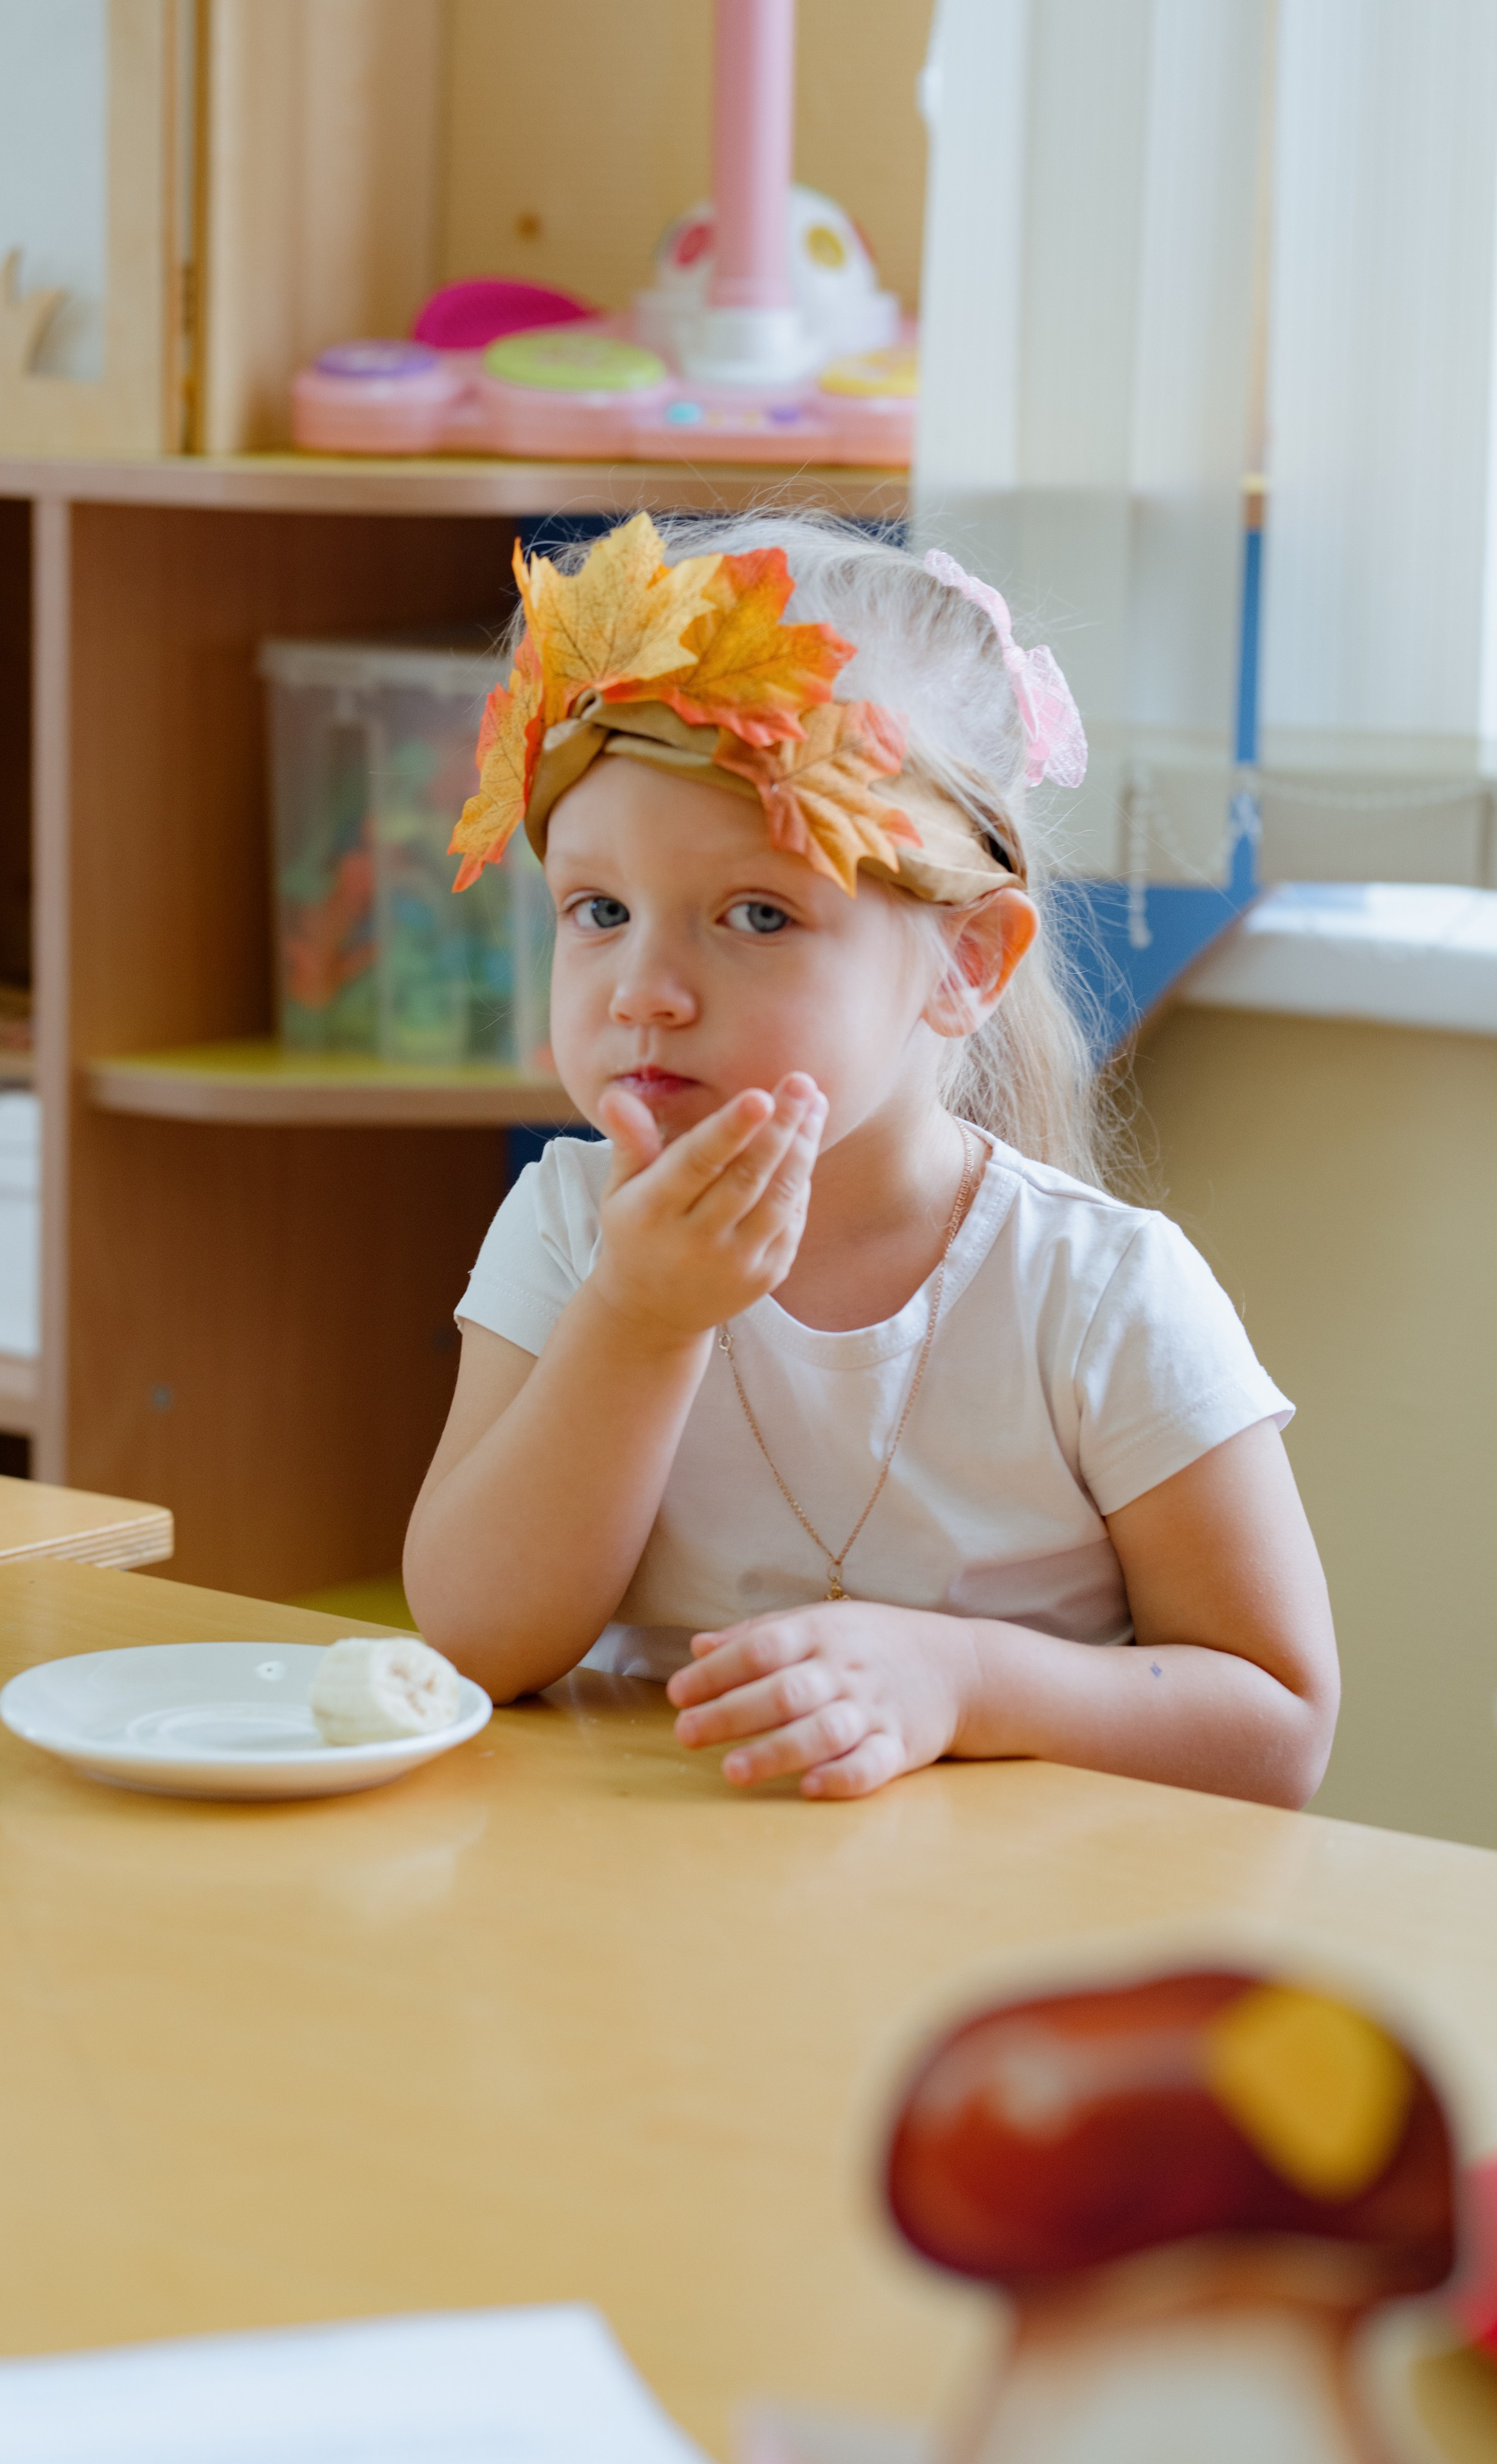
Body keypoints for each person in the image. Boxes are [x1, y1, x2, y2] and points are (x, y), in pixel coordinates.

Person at [402, 511, 1338, 1805]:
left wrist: (960, 1680)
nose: (645, 991)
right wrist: (638, 1317)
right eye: (599, 911)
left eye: (755, 913)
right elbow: (471, 1641)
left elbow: (1276, 1724)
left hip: (1001, 1946)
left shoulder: (1098, 1290)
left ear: (963, 964)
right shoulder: (569, 1230)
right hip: (638, 1924)